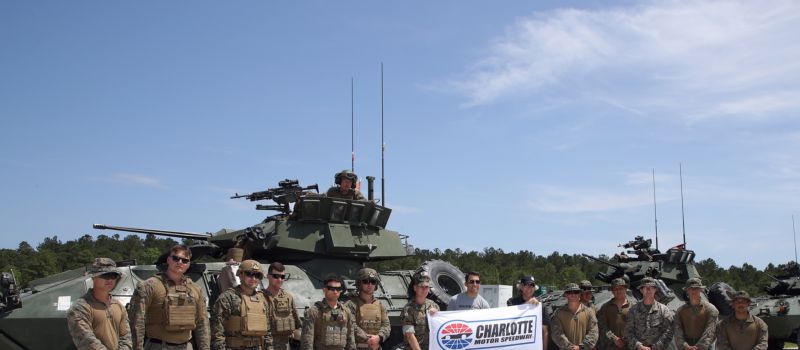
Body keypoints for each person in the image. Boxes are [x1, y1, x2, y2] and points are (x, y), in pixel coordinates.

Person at [130, 244, 210, 350]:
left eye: (184, 260)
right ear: (168, 260)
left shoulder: (196, 289)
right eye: (176, 258)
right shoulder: (149, 286)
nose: (180, 262)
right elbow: (136, 321)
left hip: (187, 346)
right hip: (158, 346)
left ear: (188, 264)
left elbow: (202, 323)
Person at [67, 257, 132, 350]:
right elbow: (86, 341)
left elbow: (126, 336)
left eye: (113, 275)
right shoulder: (80, 307)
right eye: (105, 275)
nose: (110, 280)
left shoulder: (118, 306)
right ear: (93, 277)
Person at [211, 260, 272, 350]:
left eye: (257, 275)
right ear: (240, 274)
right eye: (249, 274)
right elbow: (216, 330)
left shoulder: (263, 299)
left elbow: (268, 332)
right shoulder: (227, 298)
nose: (253, 278)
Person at [301, 275, 356, 350]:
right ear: (324, 290)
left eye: (338, 289)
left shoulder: (346, 311)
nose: (335, 291)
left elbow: (350, 339)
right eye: (331, 288)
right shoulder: (314, 311)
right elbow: (307, 341)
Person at [344, 268, 390, 350]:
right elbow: (351, 325)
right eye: (365, 281)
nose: (370, 285)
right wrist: (368, 339)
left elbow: (386, 325)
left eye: (373, 281)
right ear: (359, 284)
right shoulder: (351, 304)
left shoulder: (380, 305)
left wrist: (379, 337)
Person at [625, 277, 674, 350]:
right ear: (641, 290)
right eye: (645, 287)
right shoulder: (633, 310)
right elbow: (628, 332)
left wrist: (654, 347)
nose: (648, 290)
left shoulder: (664, 310)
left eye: (651, 287)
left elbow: (669, 332)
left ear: (655, 289)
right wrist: (639, 346)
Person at [264, 262, 301, 350]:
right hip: (265, 345)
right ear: (268, 276)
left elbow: (297, 324)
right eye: (276, 276)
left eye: (282, 277)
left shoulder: (288, 298)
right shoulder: (260, 297)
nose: (280, 279)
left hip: (284, 346)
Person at [550, 283, 599, 350]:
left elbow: (593, 332)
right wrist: (570, 347)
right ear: (565, 295)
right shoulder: (558, 313)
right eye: (569, 292)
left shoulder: (589, 312)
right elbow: (556, 334)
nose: (573, 295)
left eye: (576, 292)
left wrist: (581, 347)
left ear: (579, 294)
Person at [673, 278, 718, 350]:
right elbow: (678, 330)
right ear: (687, 290)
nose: (693, 290)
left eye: (696, 288)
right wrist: (685, 345)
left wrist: (698, 347)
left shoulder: (711, 309)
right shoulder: (680, 311)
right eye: (691, 288)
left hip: (705, 347)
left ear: (701, 290)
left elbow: (710, 332)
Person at [507, 275, 550, 350]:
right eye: (526, 285)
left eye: (532, 285)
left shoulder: (541, 306)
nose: (529, 287)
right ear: (521, 287)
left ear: (534, 288)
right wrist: (527, 304)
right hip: (515, 345)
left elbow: (545, 332)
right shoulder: (511, 302)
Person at [401, 273, 439, 350]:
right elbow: (409, 335)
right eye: (421, 286)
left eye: (427, 287)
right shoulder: (408, 309)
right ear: (415, 288)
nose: (424, 289)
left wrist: (437, 314)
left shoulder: (434, 305)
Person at [596, 278, 636, 350]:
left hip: (629, 345)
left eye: (621, 288)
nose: (618, 291)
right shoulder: (605, 307)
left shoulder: (634, 306)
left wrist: (625, 338)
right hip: (610, 345)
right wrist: (614, 339)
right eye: (615, 289)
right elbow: (602, 326)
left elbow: (637, 325)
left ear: (625, 289)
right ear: (612, 291)